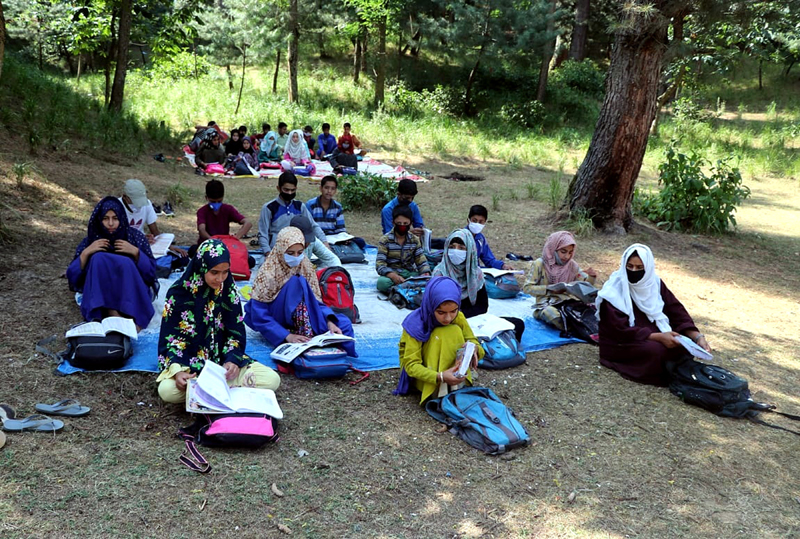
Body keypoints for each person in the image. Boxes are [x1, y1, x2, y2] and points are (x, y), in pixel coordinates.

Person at [156, 239, 281, 404]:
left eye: (225, 272)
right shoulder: (179, 294)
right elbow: (171, 339)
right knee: (167, 391)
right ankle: (211, 388)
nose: (220, 278)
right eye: (214, 272)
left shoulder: (228, 290)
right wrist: (178, 372)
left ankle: (208, 390)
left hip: (222, 368)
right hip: (190, 367)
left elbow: (235, 332)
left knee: (272, 379)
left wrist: (232, 360)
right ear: (202, 267)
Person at [596, 244, 711, 386]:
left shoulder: (654, 283)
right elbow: (618, 329)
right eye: (630, 266)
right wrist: (657, 337)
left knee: (682, 345)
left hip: (655, 333)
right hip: (622, 341)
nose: (633, 271)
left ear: (648, 268)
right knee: (656, 351)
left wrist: (697, 337)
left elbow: (676, 311)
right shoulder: (613, 290)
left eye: (639, 268)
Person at [244, 227, 357, 356]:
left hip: (303, 316)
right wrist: (286, 335)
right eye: (290, 253)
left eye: (300, 252)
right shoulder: (269, 272)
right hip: (278, 318)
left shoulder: (305, 266)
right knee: (296, 283)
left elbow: (315, 301)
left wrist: (329, 322)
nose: (296, 257)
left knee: (342, 325)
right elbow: (259, 314)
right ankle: (304, 334)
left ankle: (341, 356)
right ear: (281, 250)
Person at [66, 197, 156, 331]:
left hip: (131, 293)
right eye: (105, 218)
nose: (110, 223)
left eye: (115, 218)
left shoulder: (135, 237)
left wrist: (136, 253)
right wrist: (86, 253)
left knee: (125, 262)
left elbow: (151, 273)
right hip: (101, 295)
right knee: (98, 259)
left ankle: (127, 315)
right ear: (99, 219)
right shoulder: (92, 240)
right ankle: (110, 311)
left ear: (121, 218)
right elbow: (73, 277)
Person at [395, 276, 484, 403]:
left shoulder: (458, 317)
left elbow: (473, 340)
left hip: (450, 375)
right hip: (428, 377)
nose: (448, 318)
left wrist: (474, 348)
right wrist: (440, 376)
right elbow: (411, 366)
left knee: (454, 330)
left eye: (453, 311)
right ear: (430, 306)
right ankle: (439, 389)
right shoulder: (415, 324)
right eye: (441, 313)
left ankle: (456, 381)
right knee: (443, 333)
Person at [433, 230, 525, 340]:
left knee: (517, 324)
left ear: (470, 250)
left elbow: (482, 307)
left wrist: (466, 317)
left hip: (475, 322)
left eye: (461, 248)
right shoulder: (439, 275)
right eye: (452, 247)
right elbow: (436, 311)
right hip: (448, 323)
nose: (455, 252)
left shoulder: (476, 273)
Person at [523, 231, 597, 330]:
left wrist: (591, 277)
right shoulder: (539, 264)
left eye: (570, 252)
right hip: (547, 304)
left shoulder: (572, 265)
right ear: (553, 249)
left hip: (568, 303)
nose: (567, 256)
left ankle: (578, 326)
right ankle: (577, 327)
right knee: (552, 315)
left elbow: (584, 286)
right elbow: (527, 288)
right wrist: (549, 289)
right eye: (563, 252)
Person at [257, 172, 328, 252]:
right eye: (286, 190)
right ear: (278, 188)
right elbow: (263, 234)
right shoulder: (269, 208)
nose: (289, 193)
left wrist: (324, 242)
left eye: (292, 190)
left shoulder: (300, 206)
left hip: (298, 250)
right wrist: (267, 252)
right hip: (276, 250)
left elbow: (313, 226)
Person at [120, 179, 188, 257]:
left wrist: (168, 247)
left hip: (142, 243)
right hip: (125, 246)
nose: (139, 205)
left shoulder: (147, 204)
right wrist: (139, 239)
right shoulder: (117, 207)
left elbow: (155, 232)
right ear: (125, 197)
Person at [376, 205, 431, 293]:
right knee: (382, 283)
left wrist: (425, 272)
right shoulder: (385, 240)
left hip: (409, 273)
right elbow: (380, 264)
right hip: (392, 273)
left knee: (429, 279)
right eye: (399, 223)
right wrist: (393, 276)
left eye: (405, 224)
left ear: (410, 223)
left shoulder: (414, 240)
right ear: (393, 222)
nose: (402, 226)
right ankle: (405, 288)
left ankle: (401, 289)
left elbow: (420, 259)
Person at [196, 179, 252, 246]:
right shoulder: (202, 212)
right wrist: (211, 240)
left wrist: (236, 237)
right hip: (207, 245)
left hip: (224, 245)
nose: (216, 204)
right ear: (206, 198)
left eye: (219, 201)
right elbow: (202, 230)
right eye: (213, 202)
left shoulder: (228, 209)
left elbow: (248, 223)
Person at [465, 205, 513, 270]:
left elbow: (489, 260)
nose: (477, 223)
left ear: (485, 222)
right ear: (468, 220)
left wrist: (503, 266)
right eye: (474, 220)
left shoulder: (480, 239)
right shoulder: (460, 237)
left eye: (481, 222)